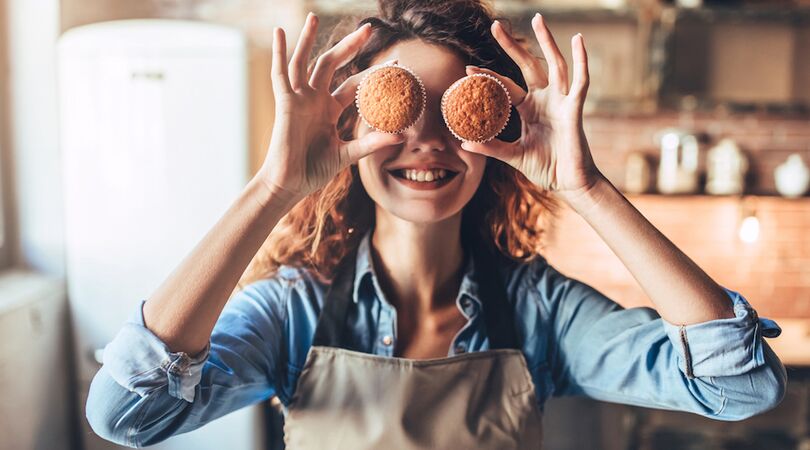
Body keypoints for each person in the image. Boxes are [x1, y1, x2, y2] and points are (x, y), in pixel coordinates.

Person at [85, 1, 786, 448]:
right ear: (350, 130)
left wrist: (587, 186)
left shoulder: (538, 312)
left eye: (453, 114)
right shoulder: (293, 313)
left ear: (492, 138)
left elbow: (739, 387)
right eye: (399, 111)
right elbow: (127, 415)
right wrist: (274, 188)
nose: (428, 143)